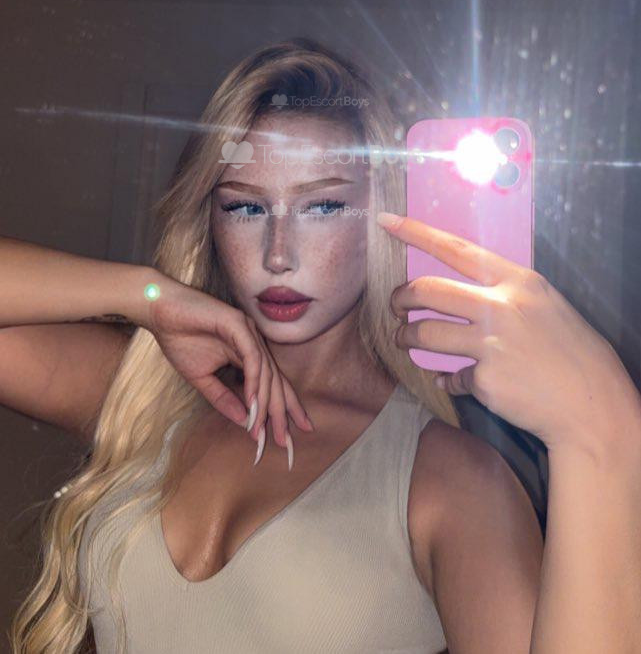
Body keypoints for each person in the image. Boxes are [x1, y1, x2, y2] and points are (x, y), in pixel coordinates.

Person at [4, 37, 641, 654]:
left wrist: (602, 429)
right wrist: (143, 293)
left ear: (385, 219)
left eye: (324, 206)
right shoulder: (141, 400)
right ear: (209, 219)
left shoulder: (449, 481)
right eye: (246, 208)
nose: (278, 254)